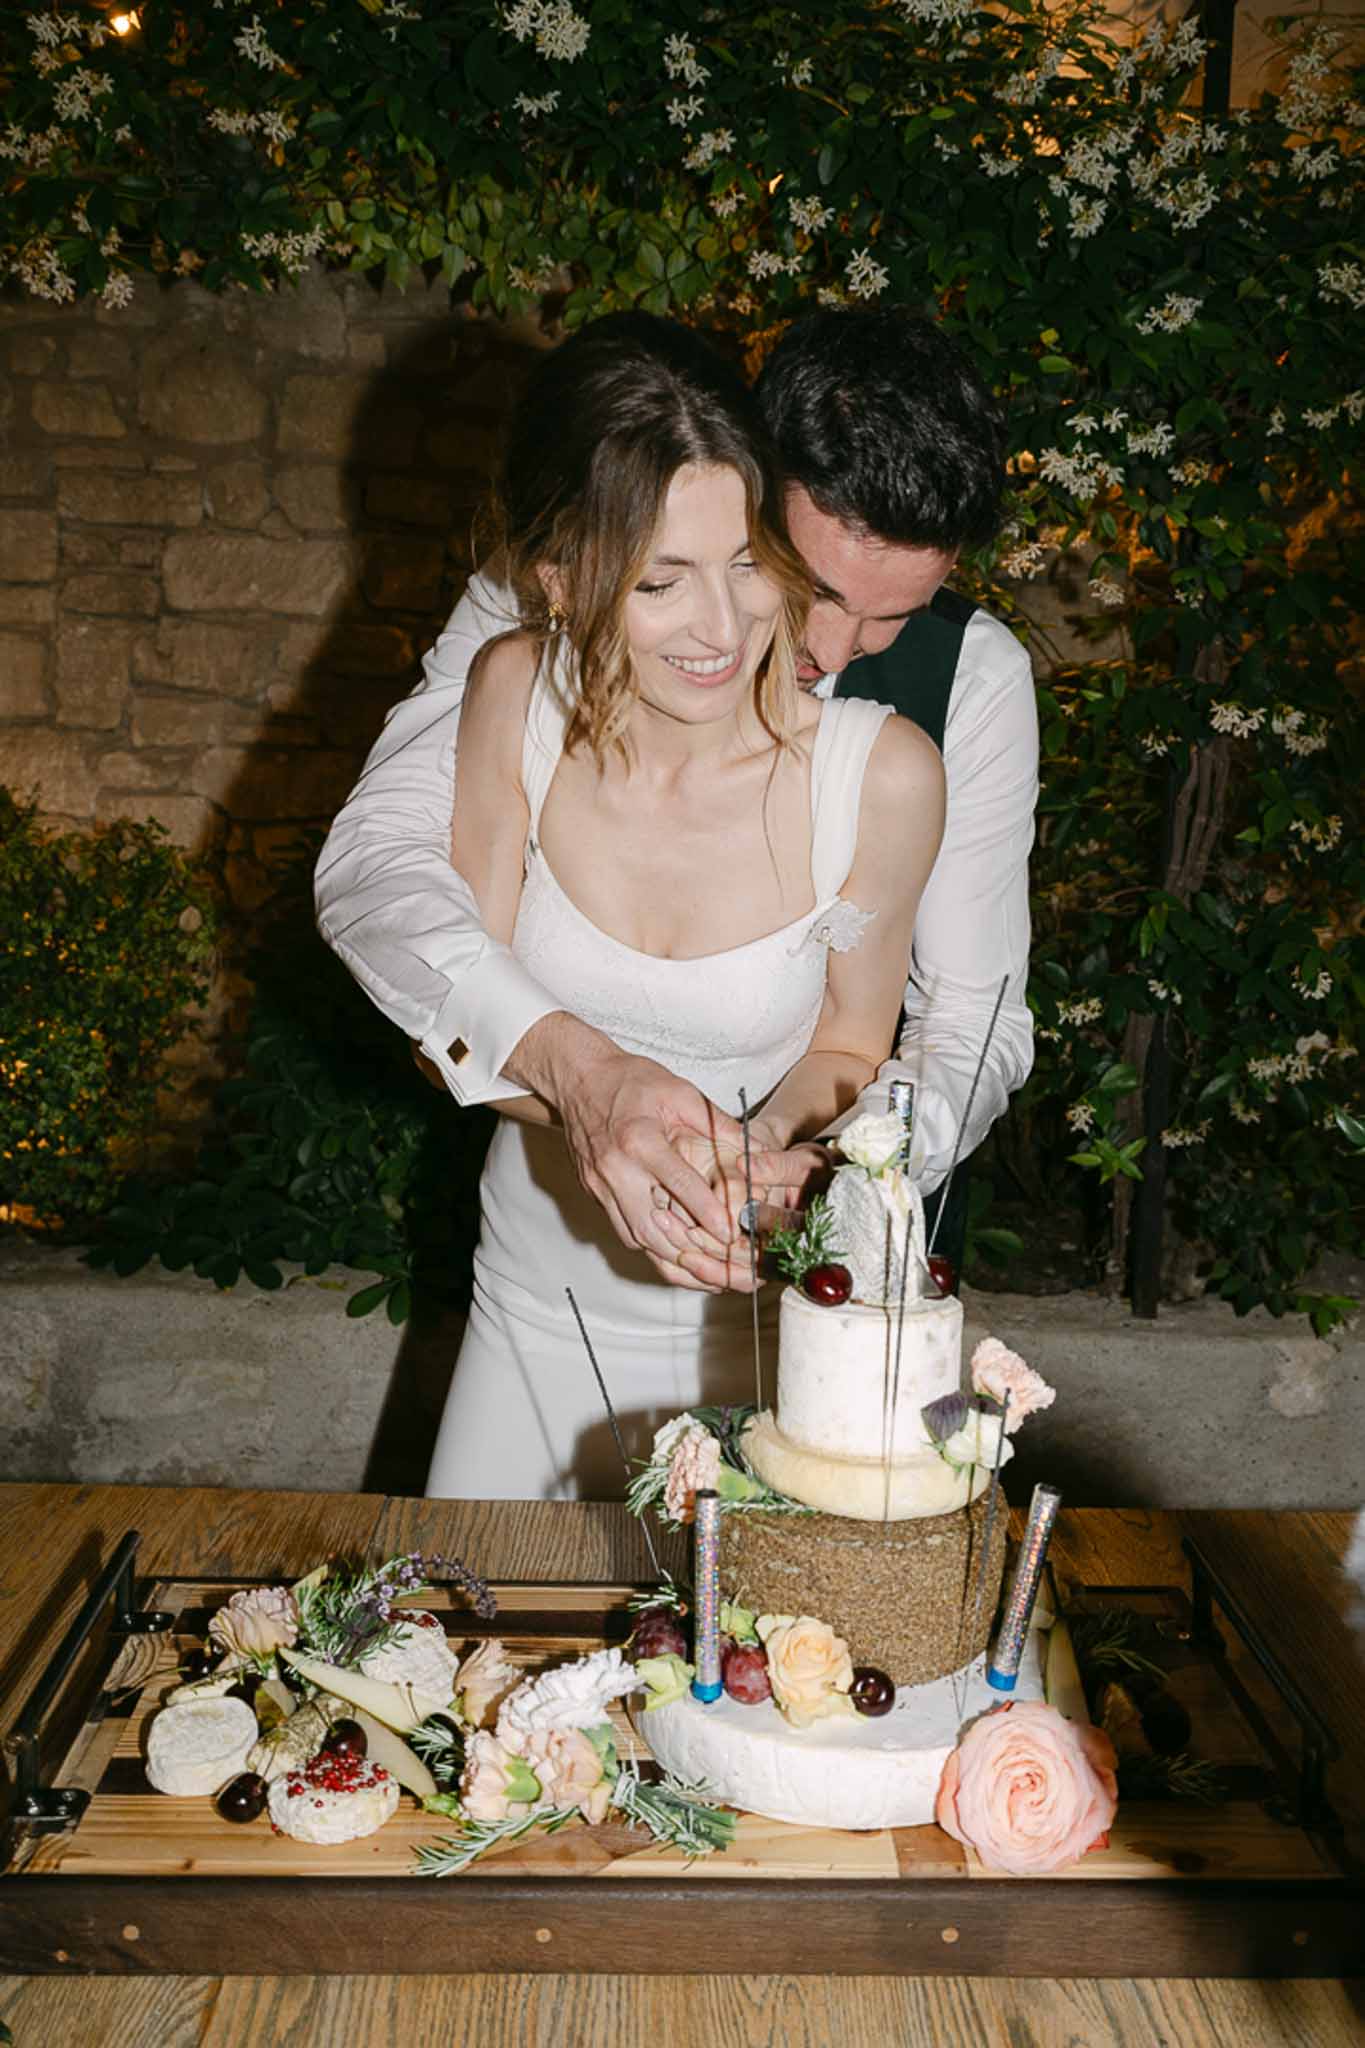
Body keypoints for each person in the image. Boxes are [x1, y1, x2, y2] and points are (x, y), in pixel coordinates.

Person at [316, 308, 1037, 1294]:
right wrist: (573, 1072)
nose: (831, 650)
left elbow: (974, 1013)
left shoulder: (971, 684)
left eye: (894, 619)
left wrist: (853, 1159)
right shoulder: (561, 584)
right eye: (815, 588)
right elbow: (381, 853)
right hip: (542, 1247)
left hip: (799, 1265)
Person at [366, 313, 944, 1498]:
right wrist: (598, 1118)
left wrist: (774, 1153)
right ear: (561, 577)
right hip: (527, 1314)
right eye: (662, 580)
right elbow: (450, 1032)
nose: (724, 630)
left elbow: (849, 1043)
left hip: (762, 1344)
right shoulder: (511, 696)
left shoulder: (883, 776)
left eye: (746, 565)